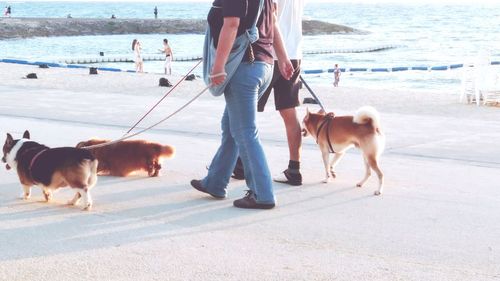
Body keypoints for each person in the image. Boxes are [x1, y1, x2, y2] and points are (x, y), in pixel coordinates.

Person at [190, 0, 294, 209]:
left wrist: (218, 65)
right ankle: (215, 182)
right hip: (264, 66)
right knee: (231, 127)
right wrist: (283, 58)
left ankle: (261, 193)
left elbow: (232, 25)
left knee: (245, 131)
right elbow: (272, 23)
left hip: (245, 66)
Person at [234, 0, 306, 186]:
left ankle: (240, 165)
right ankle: (294, 168)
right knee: (290, 112)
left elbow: (268, 17)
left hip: (267, 53)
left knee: (244, 111)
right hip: (294, 54)